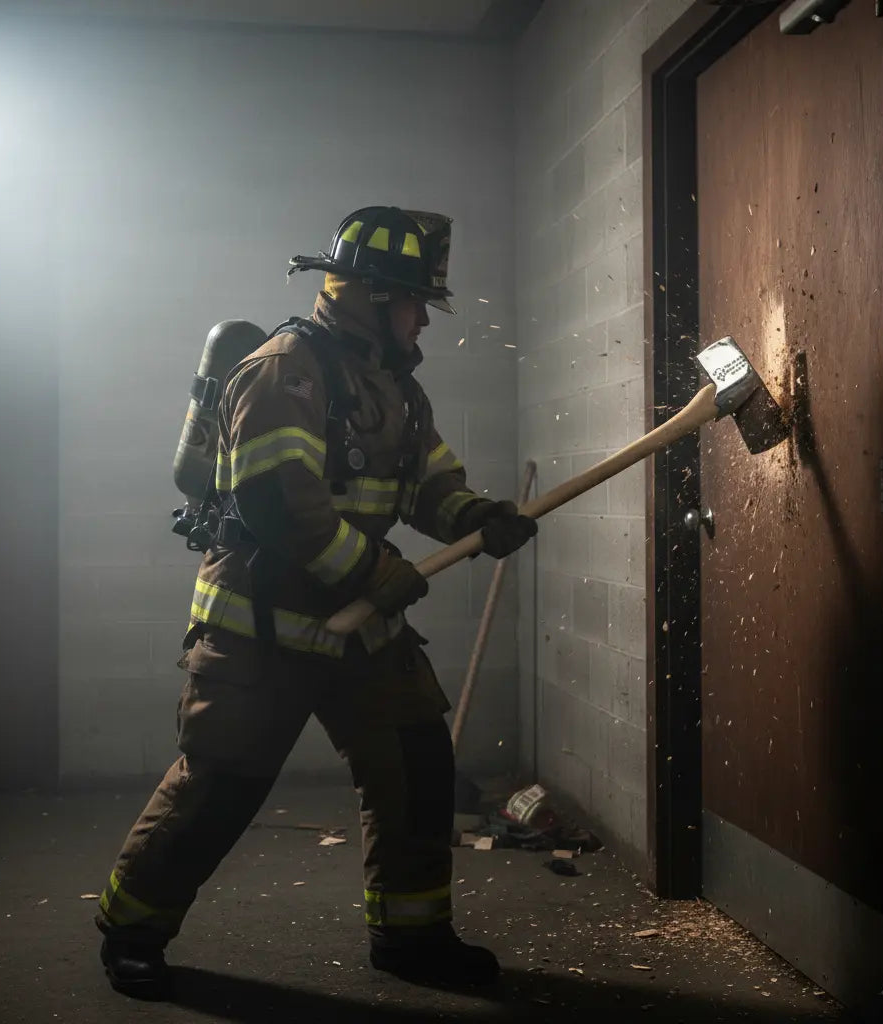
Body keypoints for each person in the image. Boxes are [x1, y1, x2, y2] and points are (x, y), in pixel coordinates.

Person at [95, 206, 537, 999]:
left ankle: (412, 936)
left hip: (358, 627)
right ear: (370, 295)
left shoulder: (392, 386)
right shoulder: (285, 369)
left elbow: (427, 478)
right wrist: (373, 571)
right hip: (259, 626)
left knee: (416, 761)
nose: (419, 325)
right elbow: (275, 499)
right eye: (411, 304)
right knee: (220, 783)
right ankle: (131, 928)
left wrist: (473, 514)